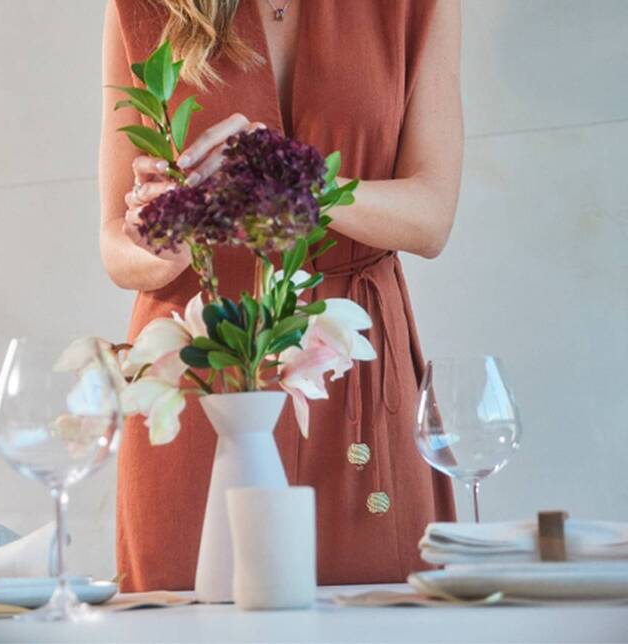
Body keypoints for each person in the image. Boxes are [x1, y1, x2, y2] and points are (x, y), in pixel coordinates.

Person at [99, 0, 463, 592]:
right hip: (197, 372)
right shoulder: (144, 8)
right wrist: (167, 238)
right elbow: (117, 248)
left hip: (349, 363)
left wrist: (299, 179)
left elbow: (431, 217)